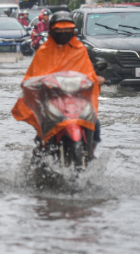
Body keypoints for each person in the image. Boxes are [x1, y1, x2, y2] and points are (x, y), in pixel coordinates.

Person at [11, 12, 104, 154]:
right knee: (42, 133)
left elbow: (88, 73)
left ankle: (90, 152)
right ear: (52, 31)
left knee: (94, 123)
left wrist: (96, 79)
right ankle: (41, 155)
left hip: (77, 101)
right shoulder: (43, 52)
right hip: (52, 100)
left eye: (67, 30)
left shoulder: (79, 50)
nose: (63, 34)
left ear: (73, 31)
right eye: (59, 30)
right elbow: (32, 77)